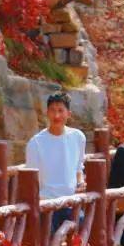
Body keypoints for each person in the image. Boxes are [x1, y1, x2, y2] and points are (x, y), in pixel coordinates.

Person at [26, 92, 87, 234]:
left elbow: (79, 168)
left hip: (71, 202)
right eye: (53, 110)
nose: (57, 115)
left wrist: (80, 183)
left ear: (69, 114)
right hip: (46, 203)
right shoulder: (36, 143)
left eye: (61, 110)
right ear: (47, 113)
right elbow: (31, 179)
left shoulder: (78, 137)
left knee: (83, 236)